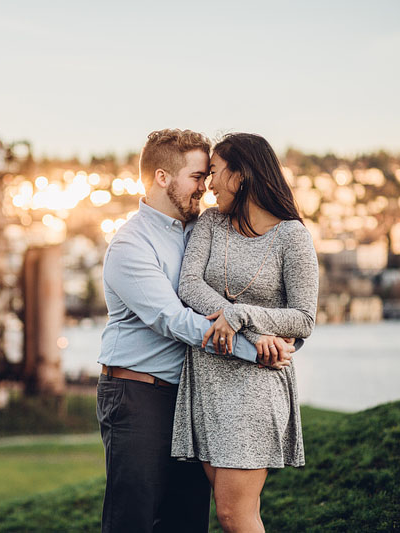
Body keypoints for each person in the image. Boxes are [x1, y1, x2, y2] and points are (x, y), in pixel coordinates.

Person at [97, 129, 295, 533]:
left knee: (186, 522)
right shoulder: (130, 245)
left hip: (190, 398)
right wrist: (254, 347)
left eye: (208, 177)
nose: (205, 187)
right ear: (162, 177)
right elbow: (175, 319)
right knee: (133, 521)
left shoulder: (200, 232)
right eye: (196, 177)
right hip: (139, 395)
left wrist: (272, 329)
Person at [171, 132, 320, 533]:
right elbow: (189, 286)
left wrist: (238, 316)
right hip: (206, 381)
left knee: (235, 514)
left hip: (255, 386)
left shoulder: (293, 237)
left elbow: (304, 318)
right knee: (227, 513)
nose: (209, 185)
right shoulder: (211, 223)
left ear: (242, 176)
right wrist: (254, 333)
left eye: (216, 173)